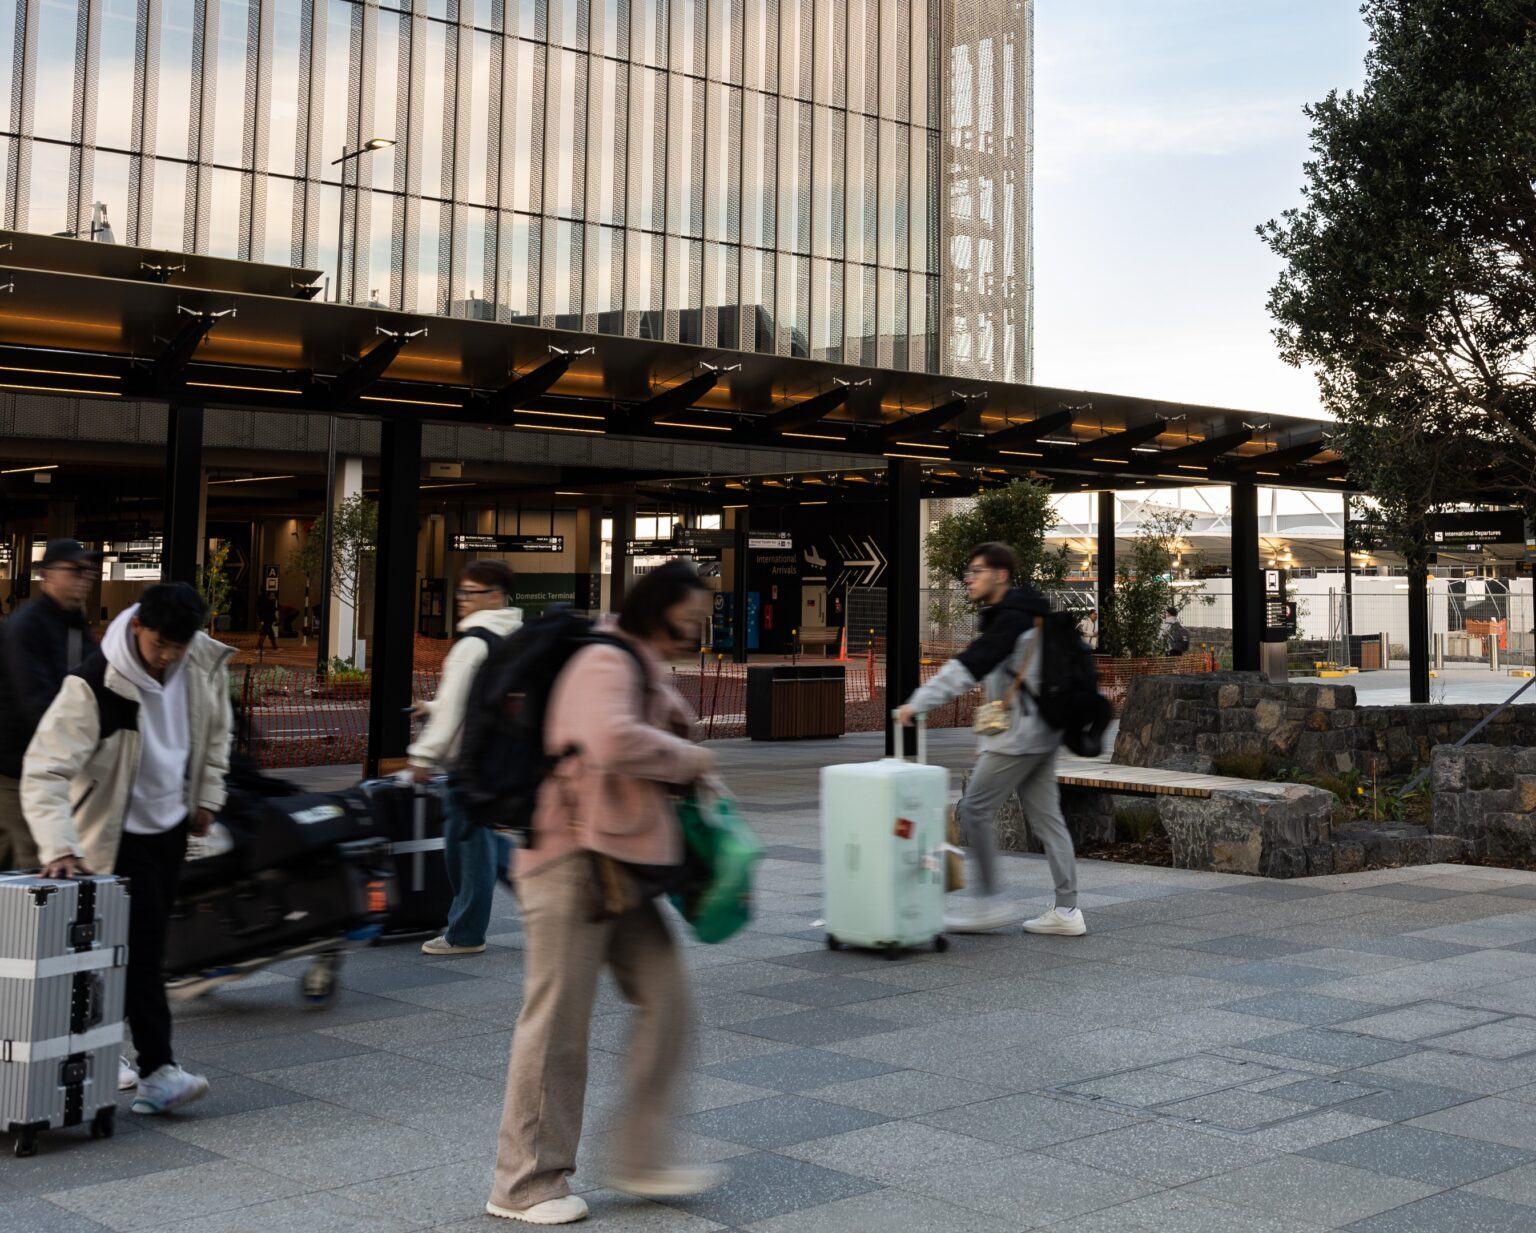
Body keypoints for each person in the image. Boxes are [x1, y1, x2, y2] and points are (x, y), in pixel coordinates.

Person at [488, 560, 720, 1225]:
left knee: (668, 1001)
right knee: (557, 1020)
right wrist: (689, 759)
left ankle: (640, 1156)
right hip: (569, 858)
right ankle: (523, 1182)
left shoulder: (638, 660)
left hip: (619, 862)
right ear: (662, 606)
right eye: (692, 613)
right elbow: (609, 738)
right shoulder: (605, 659)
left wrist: (683, 737)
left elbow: (669, 723)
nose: (698, 626)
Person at [22, 582, 233, 1112]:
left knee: (138, 950)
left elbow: (215, 736)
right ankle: (158, 1072)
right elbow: (44, 769)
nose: (167, 659)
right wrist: (59, 846)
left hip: (167, 828)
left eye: (177, 649)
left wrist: (206, 795)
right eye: (160, 645)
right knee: (140, 954)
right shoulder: (95, 684)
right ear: (137, 626)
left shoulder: (200, 663)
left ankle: (106, 1049)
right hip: (111, 835)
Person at [895, 542, 1085, 937]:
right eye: (969, 571)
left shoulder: (1010, 620)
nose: (970, 578)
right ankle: (1067, 911)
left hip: (1020, 738)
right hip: (1042, 732)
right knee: (1049, 820)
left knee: (973, 809)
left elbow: (968, 668)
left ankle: (989, 902)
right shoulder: (1030, 614)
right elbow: (1004, 684)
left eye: (977, 571)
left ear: (1001, 575)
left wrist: (917, 703)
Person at [409, 560, 523, 956]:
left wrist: (423, 755)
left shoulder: (472, 644)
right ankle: (547, 898)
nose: (461, 600)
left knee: (467, 849)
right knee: (485, 837)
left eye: (470, 592)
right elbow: (477, 700)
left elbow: (459, 705)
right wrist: (434, 708)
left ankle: (465, 934)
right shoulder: (514, 637)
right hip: (502, 757)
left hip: (470, 763)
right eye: (461, 592)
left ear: (494, 596)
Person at [0, 539, 102, 871]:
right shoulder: (27, 625)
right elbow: (36, 701)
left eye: (88, 571)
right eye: (74, 570)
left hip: (47, 762)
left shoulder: (74, 625)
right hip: (16, 767)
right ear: (46, 576)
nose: (84, 577)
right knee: (39, 861)